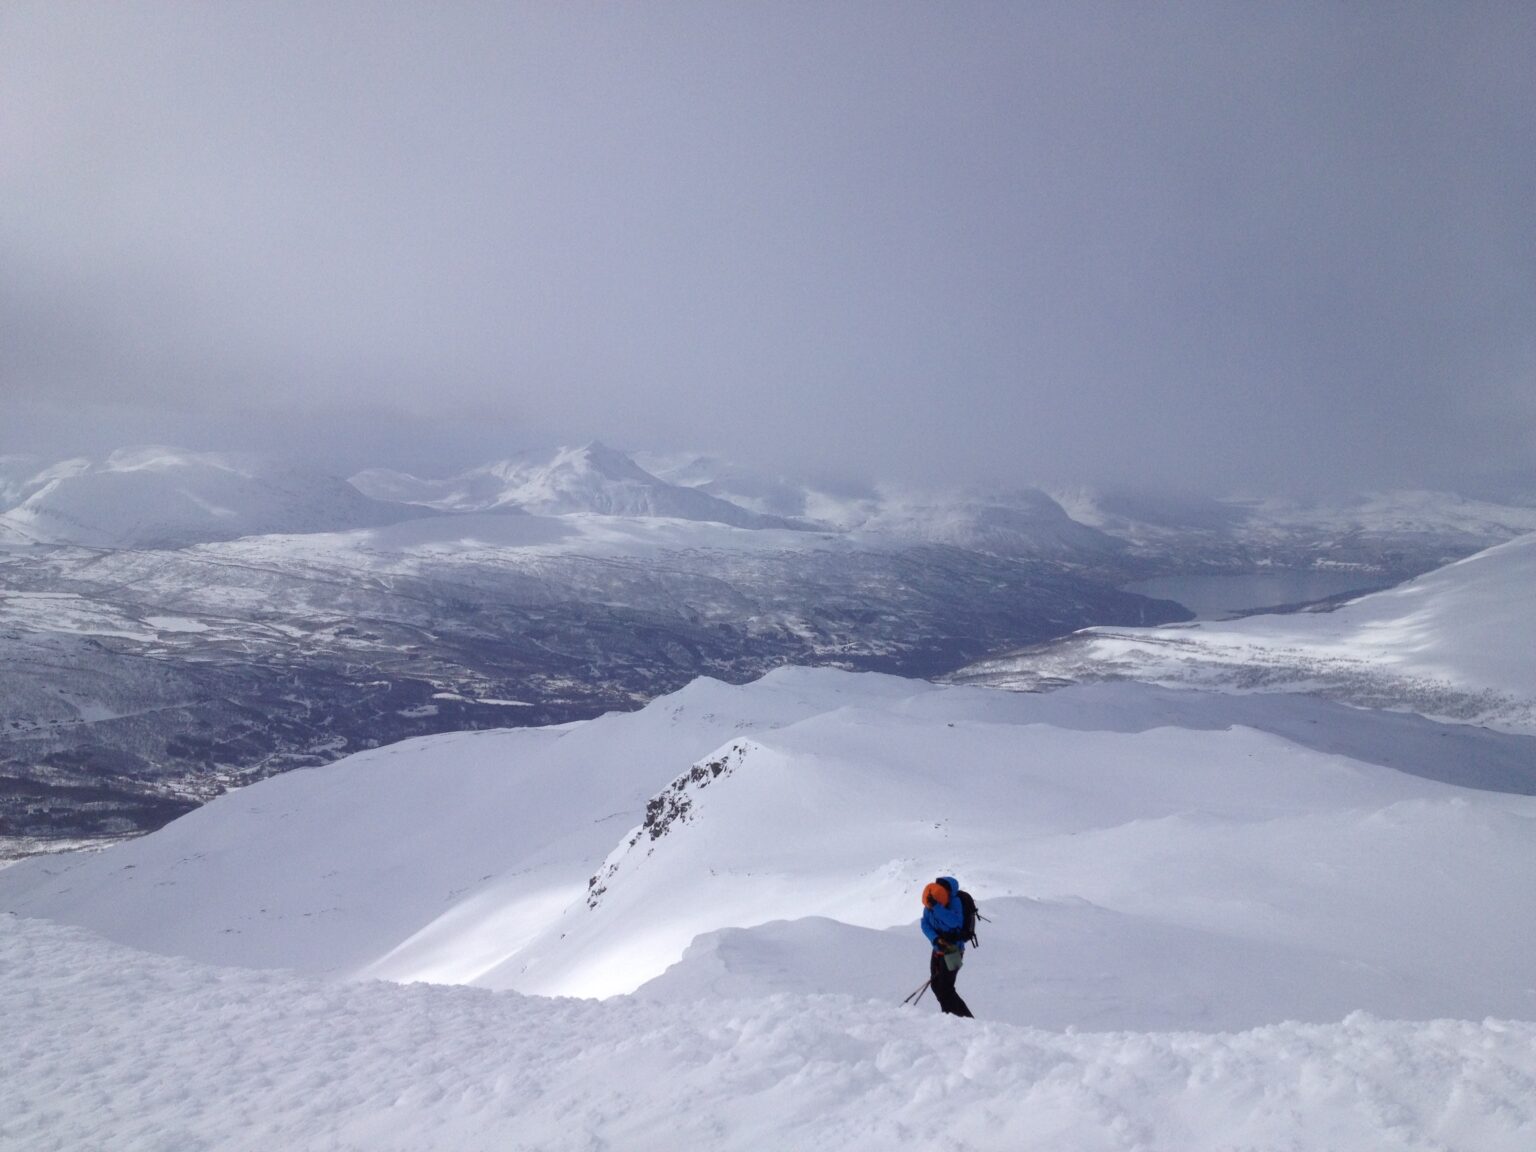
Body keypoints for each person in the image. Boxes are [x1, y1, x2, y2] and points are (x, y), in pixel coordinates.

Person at [920, 876, 974, 1018]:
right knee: (936, 985)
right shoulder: (930, 902)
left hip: (954, 950)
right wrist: (935, 938)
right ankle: (955, 1018)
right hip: (938, 948)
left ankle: (958, 1019)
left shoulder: (955, 902)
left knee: (945, 989)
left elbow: (955, 922)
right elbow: (924, 924)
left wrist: (937, 907)